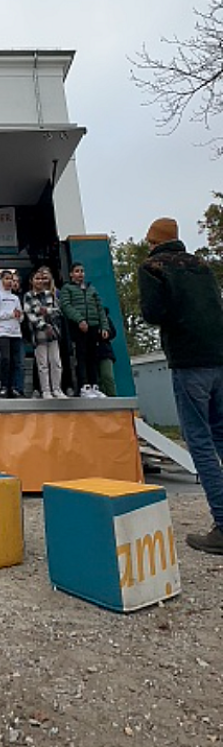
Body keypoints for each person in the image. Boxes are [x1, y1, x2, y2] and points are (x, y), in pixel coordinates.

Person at [139, 216, 223, 555]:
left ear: (153, 241)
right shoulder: (202, 266)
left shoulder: (154, 267)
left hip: (189, 362)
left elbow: (153, 313)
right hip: (219, 357)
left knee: (199, 441)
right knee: (221, 435)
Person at [59, 261, 109, 396]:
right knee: (80, 356)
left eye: (82, 271)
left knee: (92, 356)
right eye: (77, 271)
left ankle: (94, 386)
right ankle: (84, 386)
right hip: (78, 327)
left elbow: (100, 308)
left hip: (93, 326)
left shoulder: (91, 289)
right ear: (71, 274)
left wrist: (104, 326)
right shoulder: (67, 289)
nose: (80, 274)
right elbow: (66, 306)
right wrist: (79, 320)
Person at [24, 267, 65, 400]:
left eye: (42, 278)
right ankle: (46, 390)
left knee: (56, 361)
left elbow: (58, 311)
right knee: (43, 364)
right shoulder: (28, 296)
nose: (40, 281)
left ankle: (57, 389)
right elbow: (31, 315)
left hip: (53, 332)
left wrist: (47, 311)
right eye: (37, 278)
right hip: (39, 333)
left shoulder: (50, 294)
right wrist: (44, 326)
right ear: (32, 281)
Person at [0, 270, 24, 398]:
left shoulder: (15, 298)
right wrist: (10, 314)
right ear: (1, 280)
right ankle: (4, 386)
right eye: (7, 279)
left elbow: (20, 317)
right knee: (6, 359)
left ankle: (15, 387)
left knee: (16, 361)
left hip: (16, 332)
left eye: (11, 279)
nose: (9, 282)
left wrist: (19, 316)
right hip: (3, 332)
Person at [97, 306, 117, 397]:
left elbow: (113, 332)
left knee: (107, 376)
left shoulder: (104, 317)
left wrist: (105, 333)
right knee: (97, 381)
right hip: (90, 353)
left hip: (104, 351)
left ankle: (113, 399)